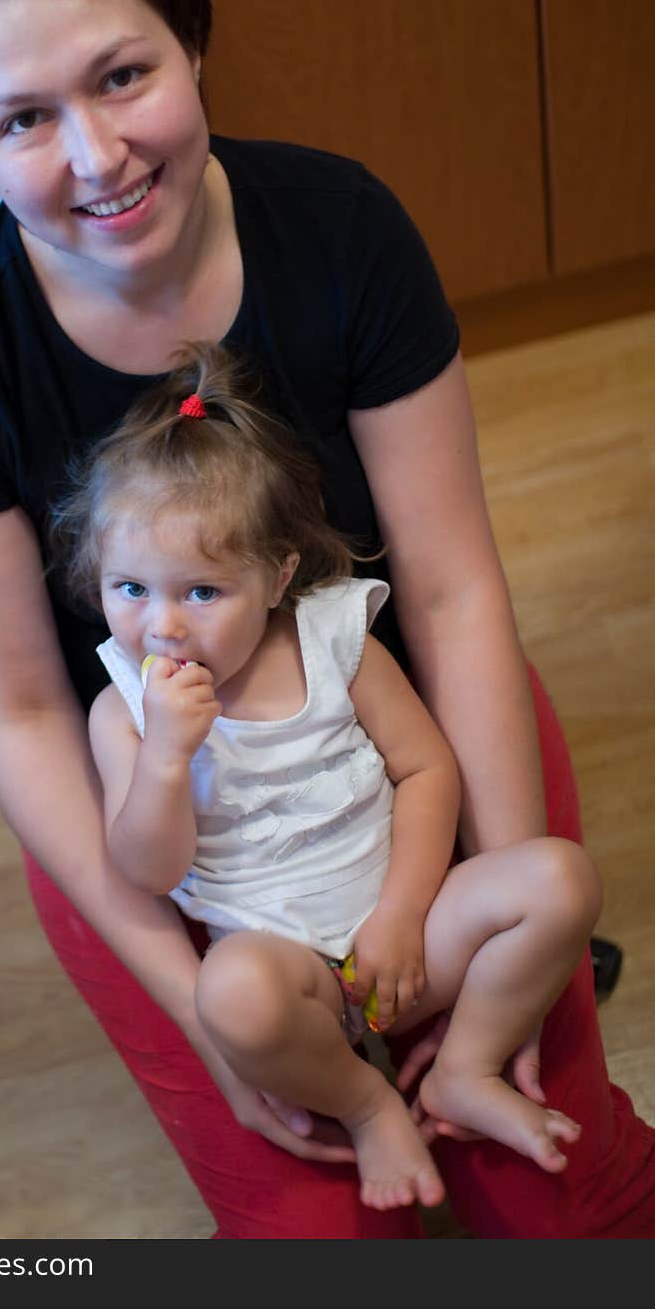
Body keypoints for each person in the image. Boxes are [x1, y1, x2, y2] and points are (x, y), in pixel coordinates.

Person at [0, 0, 655, 1237]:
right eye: (23, 119)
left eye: (124, 76)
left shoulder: (340, 227)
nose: (98, 156)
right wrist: (200, 1003)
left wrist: (508, 930)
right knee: (315, 1230)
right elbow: (18, 712)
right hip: (161, 815)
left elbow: (452, 593)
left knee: (573, 1182)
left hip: (398, 727)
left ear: (196, 45)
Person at [52, 342, 602, 1211]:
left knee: (561, 879)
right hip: (289, 976)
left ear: (276, 578)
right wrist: (165, 758)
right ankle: (366, 1102)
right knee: (230, 997)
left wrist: (404, 912)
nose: (162, 626)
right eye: (129, 588)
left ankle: (464, 1066)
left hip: (413, 930)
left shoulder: (334, 641)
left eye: (201, 592)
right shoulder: (123, 709)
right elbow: (147, 871)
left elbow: (425, 770)